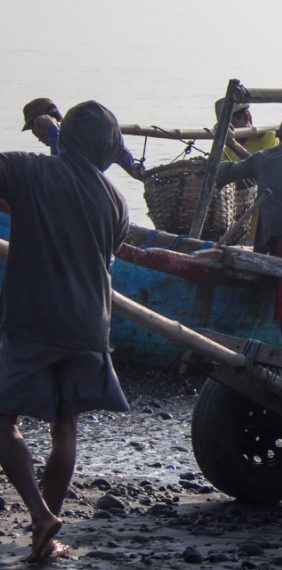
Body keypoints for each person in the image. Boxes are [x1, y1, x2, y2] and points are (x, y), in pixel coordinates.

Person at [0, 101, 131, 563]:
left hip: (35, 317)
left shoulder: (30, 171)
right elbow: (109, 254)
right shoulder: (116, 200)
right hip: (89, 324)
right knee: (65, 426)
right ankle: (46, 536)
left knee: (1, 420)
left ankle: (40, 515)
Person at [215, 115, 282, 351]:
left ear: (280, 138)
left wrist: (223, 149)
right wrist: (233, 145)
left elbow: (233, 172)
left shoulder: (265, 158)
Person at [21, 97, 146, 181]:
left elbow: (61, 170)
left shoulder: (70, 141)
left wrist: (52, 132)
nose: (38, 139)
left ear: (40, 124)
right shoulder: (87, 136)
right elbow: (120, 151)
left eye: (34, 129)